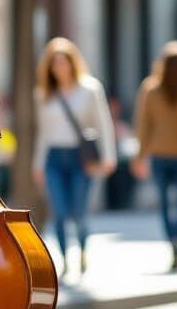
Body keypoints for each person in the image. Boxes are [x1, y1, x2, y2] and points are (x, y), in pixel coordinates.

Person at [32, 37, 116, 277]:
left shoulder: (90, 89)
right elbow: (43, 133)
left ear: (72, 63)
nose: (59, 67)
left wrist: (108, 157)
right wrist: (37, 164)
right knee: (58, 210)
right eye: (54, 63)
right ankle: (65, 260)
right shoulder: (43, 94)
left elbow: (103, 123)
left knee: (79, 211)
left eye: (63, 62)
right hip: (54, 158)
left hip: (82, 158)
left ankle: (81, 251)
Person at [130, 41, 177, 272]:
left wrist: (139, 156)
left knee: (166, 205)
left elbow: (142, 126)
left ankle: (172, 240)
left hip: (159, 155)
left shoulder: (150, 89)